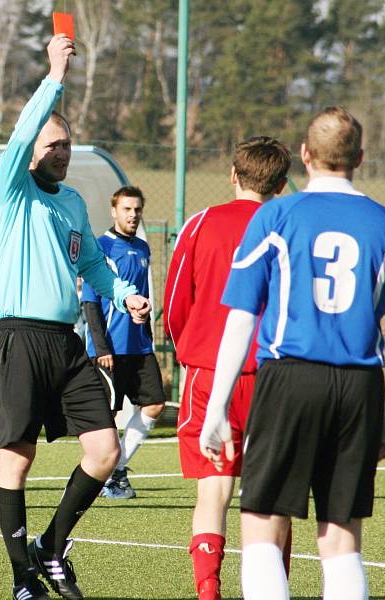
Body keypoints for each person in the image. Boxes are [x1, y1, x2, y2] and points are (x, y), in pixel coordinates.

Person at [200, 107, 385, 600]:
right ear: (361, 158)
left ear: (304, 156)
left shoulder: (277, 215)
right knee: (341, 533)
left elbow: (241, 316)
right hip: (360, 384)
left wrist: (217, 407)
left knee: (262, 521)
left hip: (289, 378)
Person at [0, 34, 151, 600]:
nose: (62, 151)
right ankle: (20, 578)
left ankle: (51, 547)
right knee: (18, 456)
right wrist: (54, 75)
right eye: (53, 143)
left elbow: (94, 268)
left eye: (68, 145)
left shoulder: (74, 202)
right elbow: (21, 133)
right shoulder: (9, 191)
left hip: (65, 342)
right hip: (16, 338)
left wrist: (125, 292)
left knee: (105, 450)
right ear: (32, 148)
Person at [163, 137, 293, 600]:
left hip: (208, 374)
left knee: (213, 493)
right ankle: (274, 588)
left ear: (233, 175)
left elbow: (176, 303)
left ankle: (208, 591)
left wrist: (190, 354)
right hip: (276, 376)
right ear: (280, 184)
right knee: (273, 497)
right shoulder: (288, 225)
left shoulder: (200, 224)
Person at [82, 185, 165, 500]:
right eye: (127, 209)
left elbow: (143, 296)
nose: (133, 215)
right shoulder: (101, 246)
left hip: (139, 346)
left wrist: (146, 324)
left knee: (155, 403)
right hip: (110, 350)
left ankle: (116, 472)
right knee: (106, 418)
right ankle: (99, 476)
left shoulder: (143, 248)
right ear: (114, 210)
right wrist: (101, 348)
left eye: (137, 209)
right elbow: (90, 301)